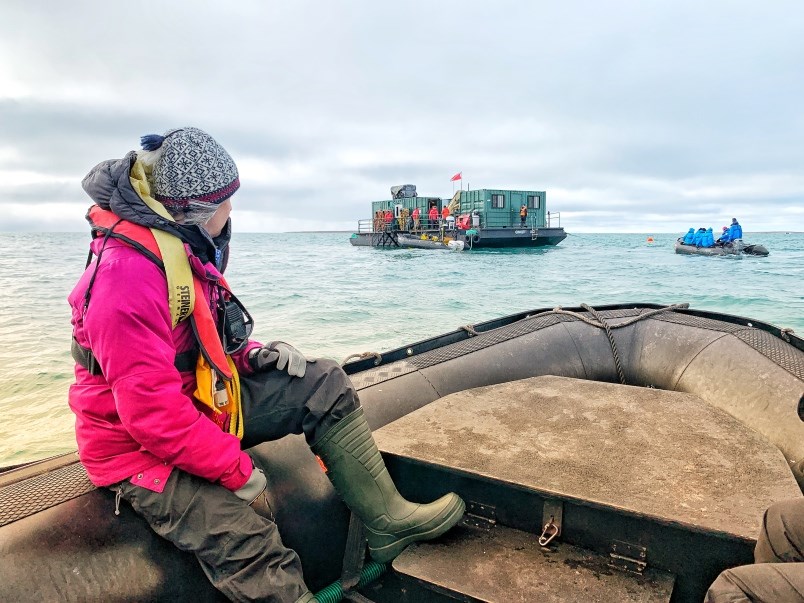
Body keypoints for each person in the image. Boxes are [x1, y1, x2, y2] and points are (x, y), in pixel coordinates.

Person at [68, 127, 465, 603]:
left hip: (201, 403)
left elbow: (196, 334)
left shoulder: (176, 246)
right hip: (135, 449)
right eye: (223, 203)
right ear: (192, 211)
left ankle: (389, 523)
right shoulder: (125, 279)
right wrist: (233, 469)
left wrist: (250, 353)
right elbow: (150, 415)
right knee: (250, 543)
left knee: (323, 383)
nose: (230, 211)